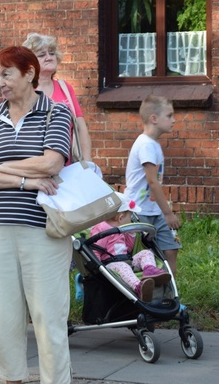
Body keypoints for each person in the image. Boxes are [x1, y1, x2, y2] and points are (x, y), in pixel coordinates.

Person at [0, 45, 73, 384]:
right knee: (4, 316)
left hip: (42, 228)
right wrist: (27, 180)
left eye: (7, 74)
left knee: (48, 315)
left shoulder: (57, 113)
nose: (0, 83)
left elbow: (52, 162)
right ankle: (12, 379)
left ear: (29, 73)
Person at [124, 94, 181, 275]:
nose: (174, 120)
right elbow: (152, 181)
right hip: (139, 211)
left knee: (170, 249)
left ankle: (169, 295)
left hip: (154, 210)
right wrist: (168, 213)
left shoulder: (153, 144)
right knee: (137, 255)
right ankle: (139, 293)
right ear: (154, 119)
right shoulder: (146, 145)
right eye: (169, 115)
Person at [23, 32, 93, 162]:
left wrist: (88, 165)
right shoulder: (21, 91)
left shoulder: (65, 88)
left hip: (68, 169)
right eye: (42, 55)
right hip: (34, 168)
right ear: (29, 63)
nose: (49, 57)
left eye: (52, 53)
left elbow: (80, 128)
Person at [90, 193, 172, 302]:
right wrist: (97, 268)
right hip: (110, 264)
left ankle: (150, 270)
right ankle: (139, 287)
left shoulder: (122, 229)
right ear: (121, 217)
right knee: (123, 267)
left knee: (146, 253)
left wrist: (132, 234)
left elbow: (128, 248)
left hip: (127, 259)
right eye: (130, 216)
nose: (131, 220)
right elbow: (95, 249)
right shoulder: (102, 228)